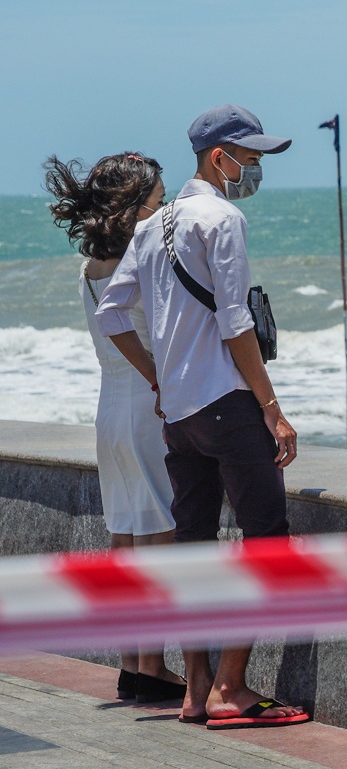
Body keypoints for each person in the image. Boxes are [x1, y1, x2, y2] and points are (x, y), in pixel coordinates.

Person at [96, 104, 309, 729]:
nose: (256, 169)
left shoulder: (154, 224)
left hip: (180, 417)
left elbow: (112, 313)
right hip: (226, 406)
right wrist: (273, 410)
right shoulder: (222, 218)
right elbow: (236, 322)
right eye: (252, 158)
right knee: (266, 541)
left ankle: (194, 691)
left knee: (193, 547)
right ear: (221, 158)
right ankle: (230, 689)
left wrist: (157, 377)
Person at [44, 152, 189, 703]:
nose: (165, 209)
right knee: (159, 530)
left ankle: (131, 664)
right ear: (134, 206)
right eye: (158, 200)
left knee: (126, 532)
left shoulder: (90, 266)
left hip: (109, 406)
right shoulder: (142, 257)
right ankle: (151, 667)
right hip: (146, 402)